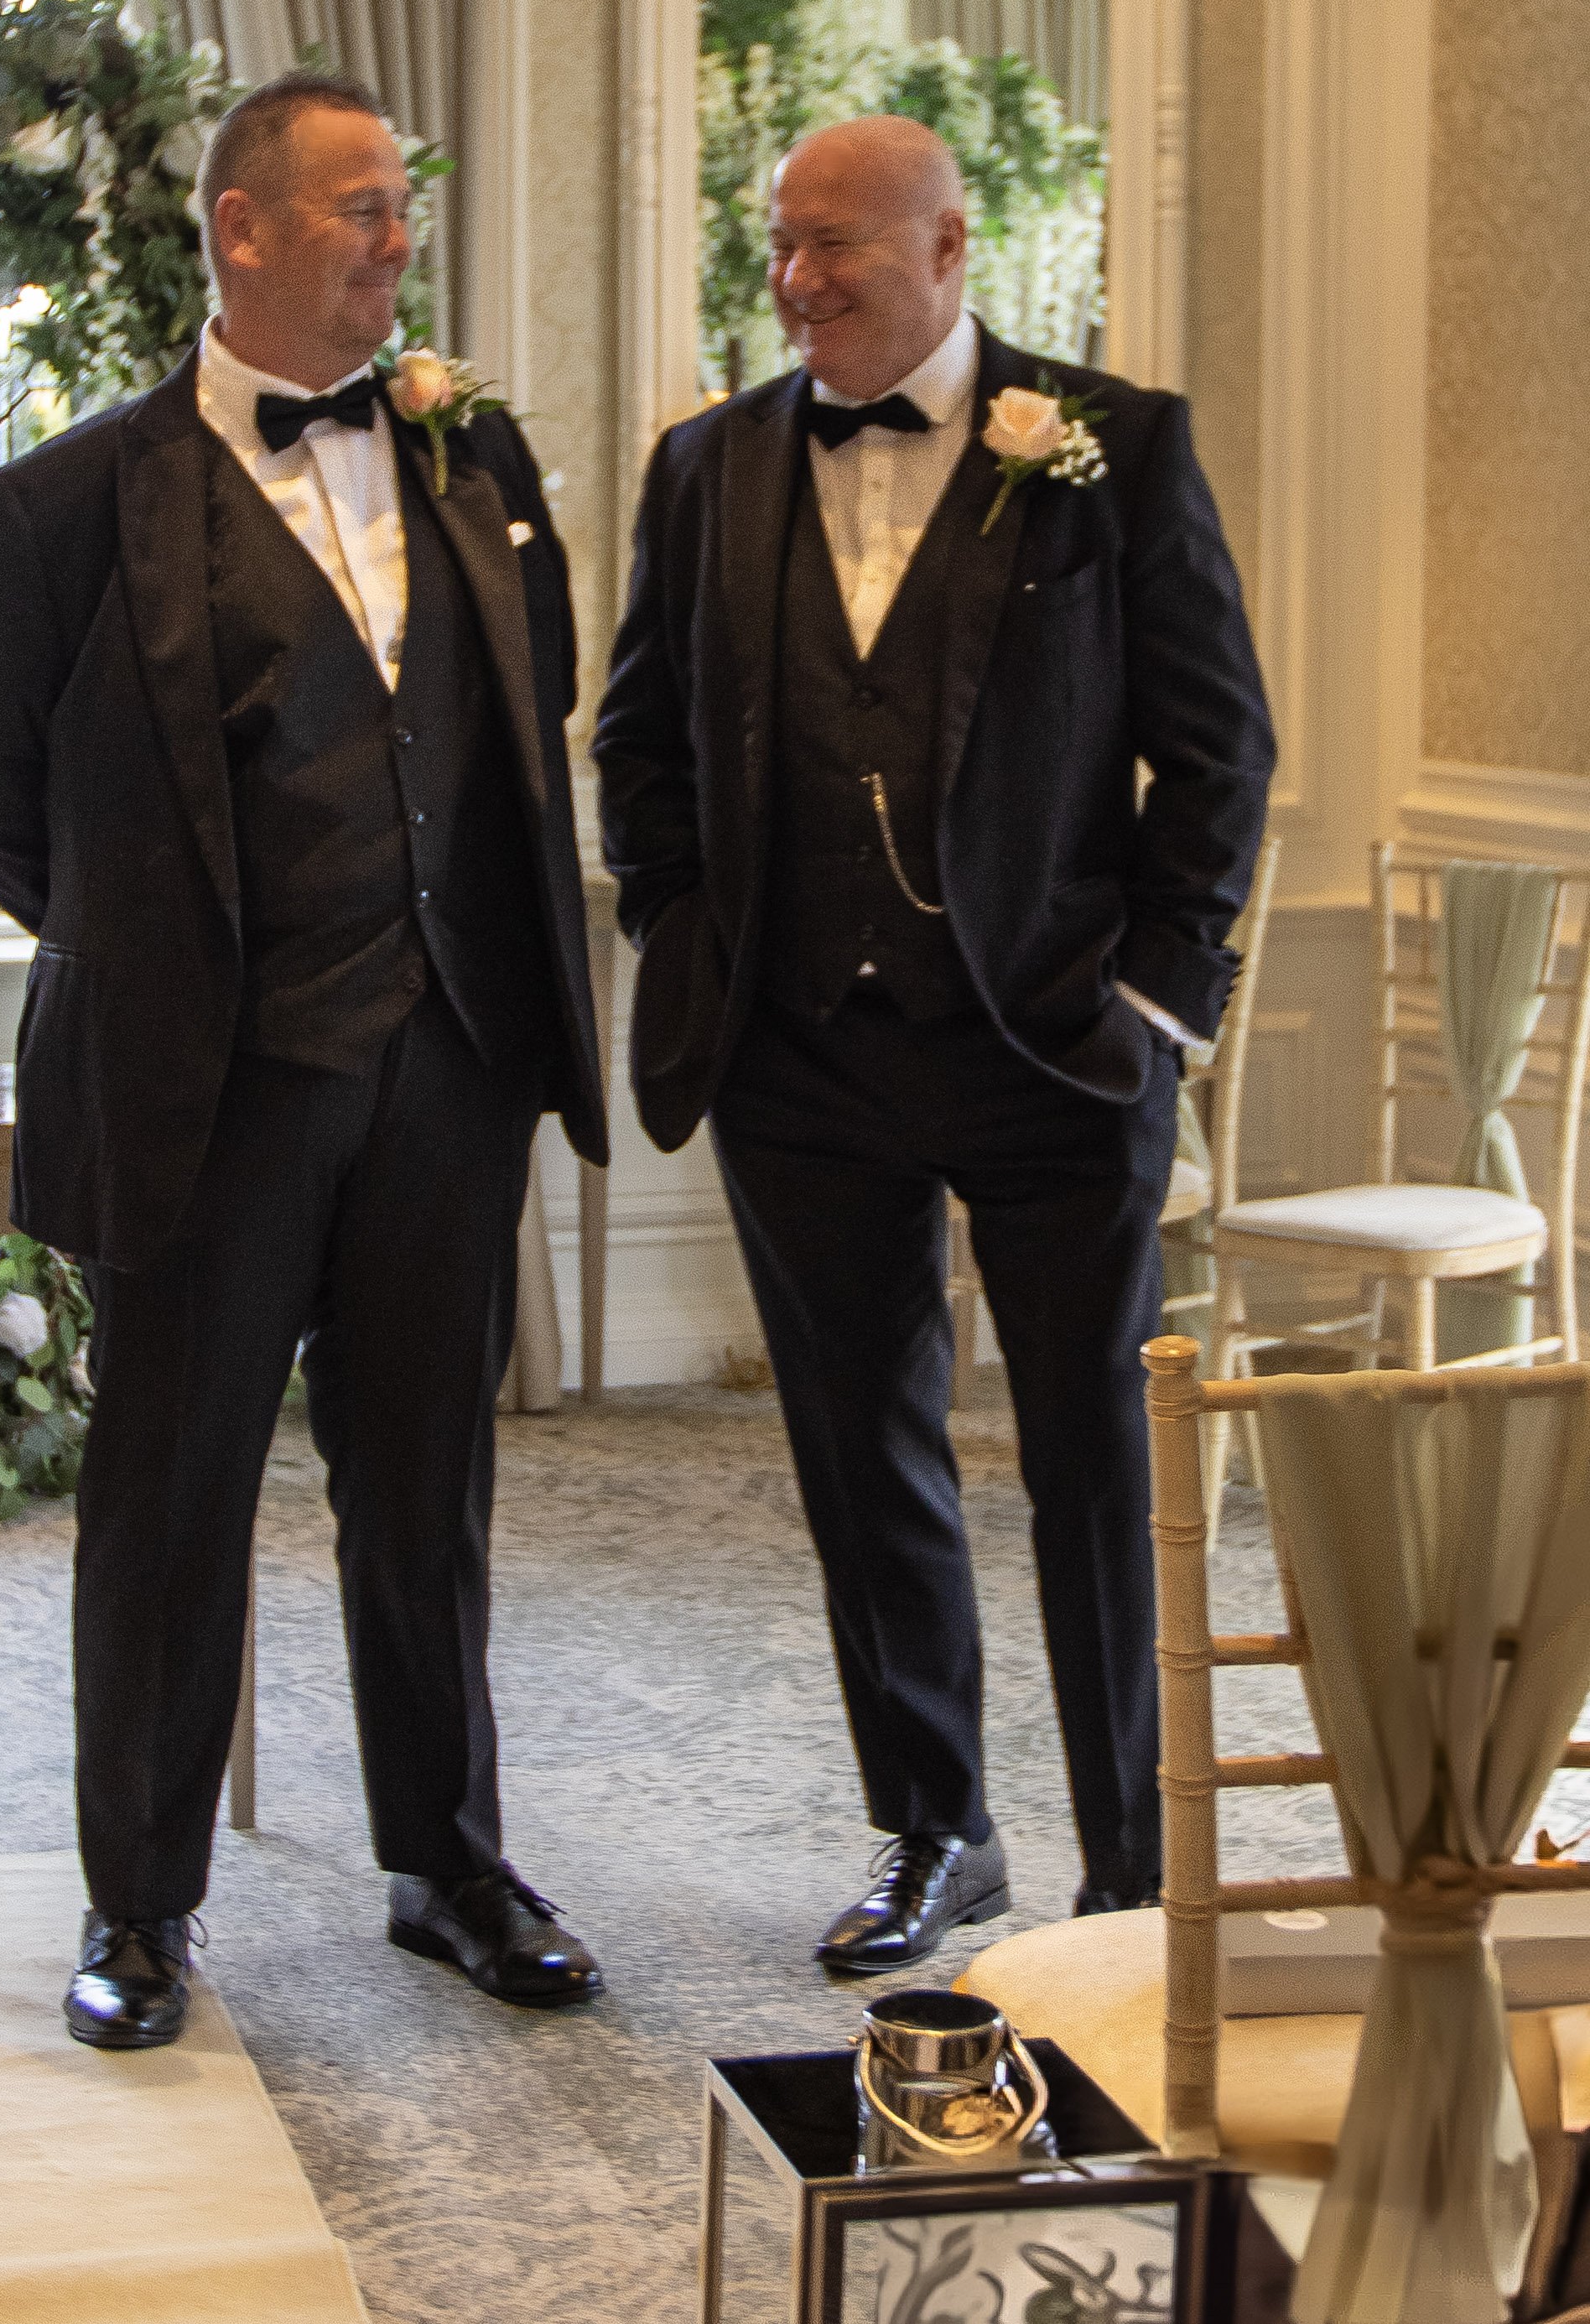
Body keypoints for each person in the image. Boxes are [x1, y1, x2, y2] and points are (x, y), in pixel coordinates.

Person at [0, 70, 609, 2044]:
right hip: (208, 1086)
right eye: (359, 203)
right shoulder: (70, 500)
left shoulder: (473, 455)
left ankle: (448, 1862)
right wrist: (144, 941)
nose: (397, 236)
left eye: (399, 203)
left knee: (427, 1482)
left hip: (444, 1063)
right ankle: (139, 1903)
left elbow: (527, 699)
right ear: (241, 228)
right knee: (171, 1487)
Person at [593, 115, 1273, 1969]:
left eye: (837, 246)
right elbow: (639, 744)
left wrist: (1155, 999)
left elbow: (1219, 748)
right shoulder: (706, 465)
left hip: (1056, 1047)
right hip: (801, 1057)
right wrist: (688, 936)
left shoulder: (1112, 446)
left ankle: (1132, 1867)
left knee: (1093, 1462)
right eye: (781, 245)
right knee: (859, 1447)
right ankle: (933, 1829)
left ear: (950, 247)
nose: (797, 281)